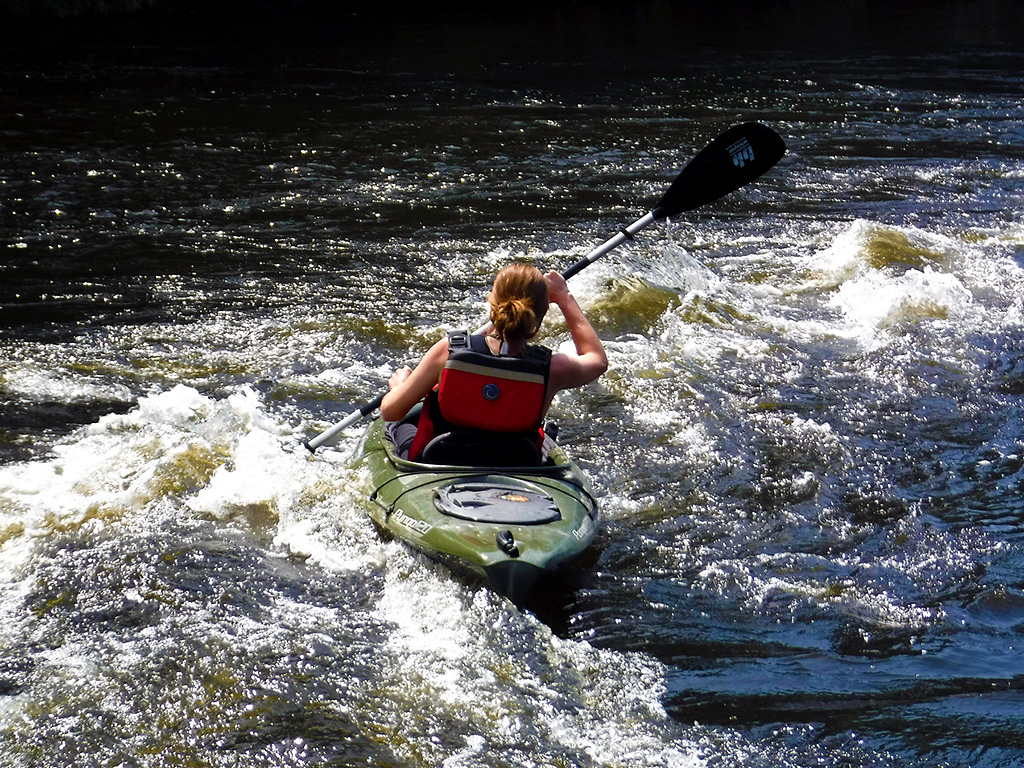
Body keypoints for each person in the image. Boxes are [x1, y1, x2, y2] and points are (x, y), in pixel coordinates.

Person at [380, 262, 608, 463]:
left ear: (493, 305)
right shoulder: (552, 368)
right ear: (542, 313)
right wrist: (563, 296)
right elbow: (597, 361)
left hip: (442, 459)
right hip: (516, 462)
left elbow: (391, 411)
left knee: (401, 424)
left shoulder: (448, 351)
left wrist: (400, 386)